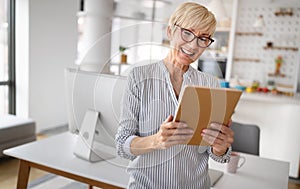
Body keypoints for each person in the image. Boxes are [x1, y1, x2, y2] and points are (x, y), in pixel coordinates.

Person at [115, 2, 234, 189]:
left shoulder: (210, 84)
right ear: (170, 31)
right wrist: (156, 140)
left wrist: (220, 147)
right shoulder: (139, 77)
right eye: (187, 32)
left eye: (203, 38)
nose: (193, 45)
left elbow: (216, 154)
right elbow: (122, 145)